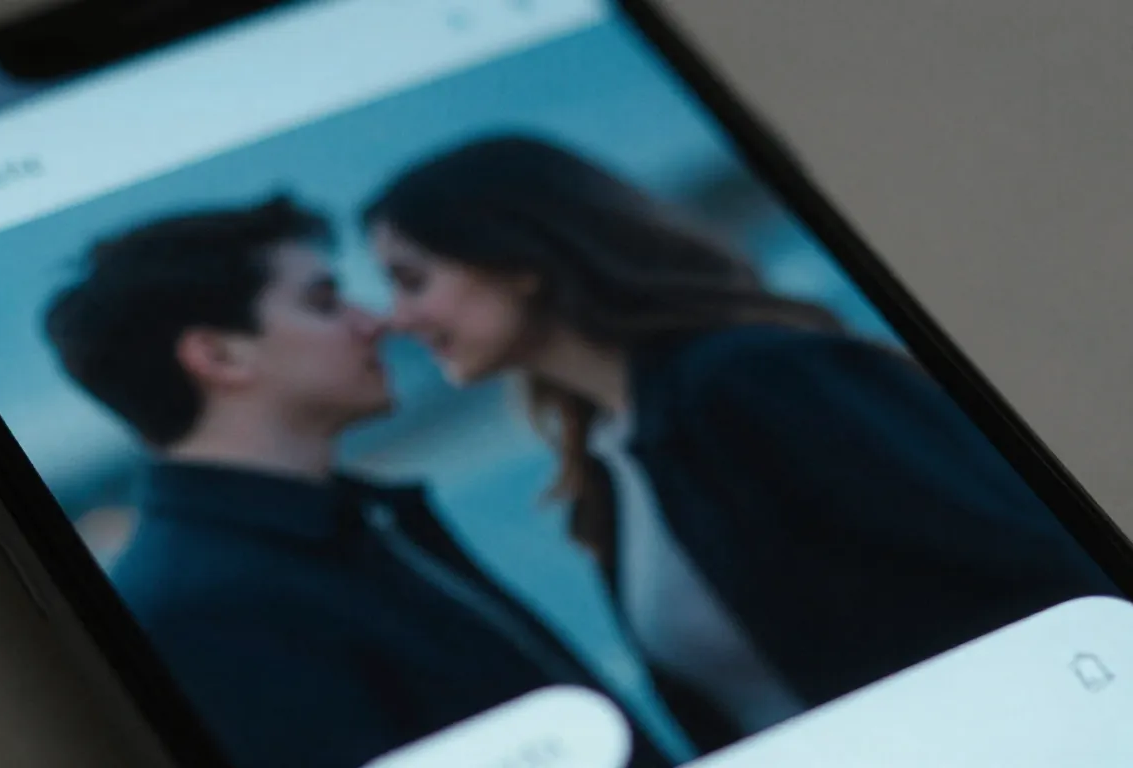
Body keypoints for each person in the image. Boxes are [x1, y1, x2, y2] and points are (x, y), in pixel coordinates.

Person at [362, 135, 1118, 749]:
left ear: (516, 261)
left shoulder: (756, 379)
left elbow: (1038, 565)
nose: (395, 317)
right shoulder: (612, 464)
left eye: (411, 279)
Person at [43, 197, 677, 768]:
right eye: (324, 303)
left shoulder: (345, 524)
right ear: (220, 356)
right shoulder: (200, 607)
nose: (376, 323)